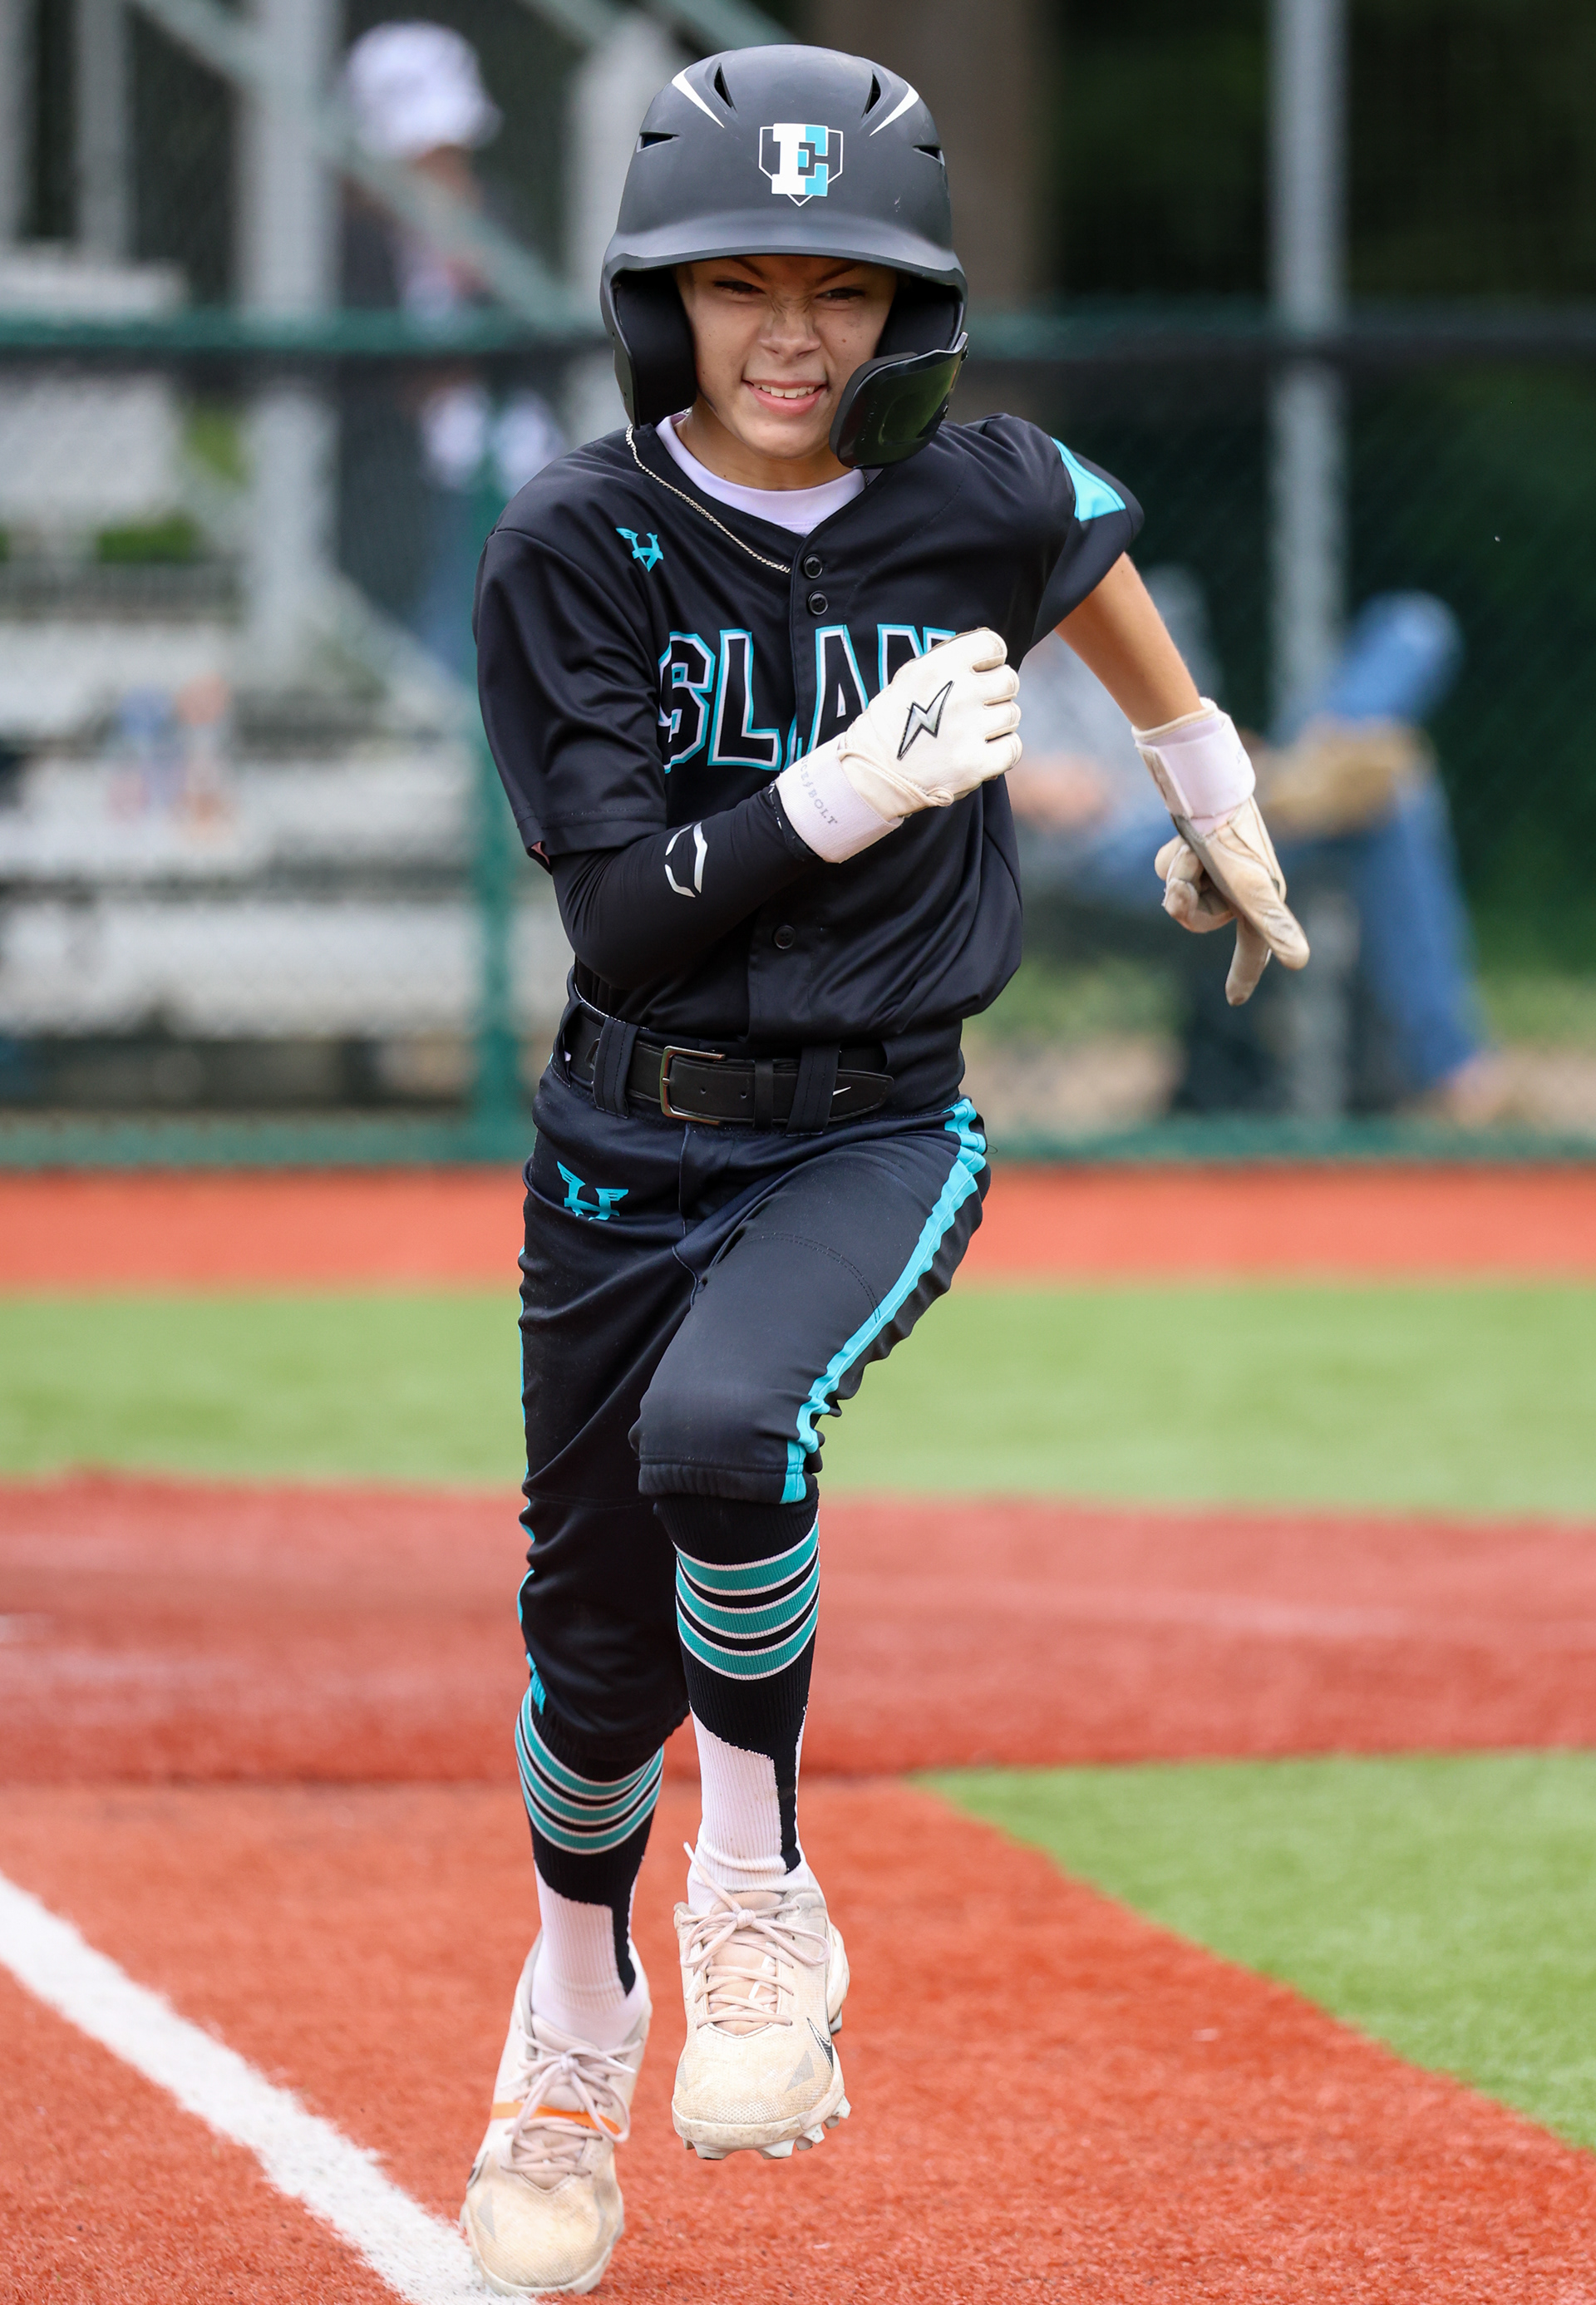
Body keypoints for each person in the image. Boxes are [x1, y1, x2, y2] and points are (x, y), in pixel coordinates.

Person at [463, 44, 1308, 2297]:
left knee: (724, 1434)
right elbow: (622, 916)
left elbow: (1084, 542)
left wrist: (1209, 786)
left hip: (869, 1120)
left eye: (840, 288)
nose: (791, 334)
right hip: (624, 1131)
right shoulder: (575, 539)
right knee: (589, 1665)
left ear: (906, 307)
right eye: (737, 282)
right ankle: (571, 2022)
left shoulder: (972, 481)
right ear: (658, 298)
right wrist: (854, 779)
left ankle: (758, 1897)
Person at [1012, 584, 1496, 1117]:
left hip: (1201, 807)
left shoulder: (1121, 618)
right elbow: (940, 755)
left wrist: (1236, 760)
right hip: (1105, 855)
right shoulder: (973, 645)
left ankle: (1310, 766)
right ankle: (1452, 1068)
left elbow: (1192, 735)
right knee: (1384, 794)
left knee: (1416, 629)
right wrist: (1025, 783)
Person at [340, 22, 565, 679]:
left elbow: (532, 352)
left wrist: (470, 270)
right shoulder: (346, 241)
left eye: (450, 150)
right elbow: (385, 381)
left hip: (518, 464)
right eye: (421, 153)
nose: (441, 170)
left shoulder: (494, 219)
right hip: (411, 488)